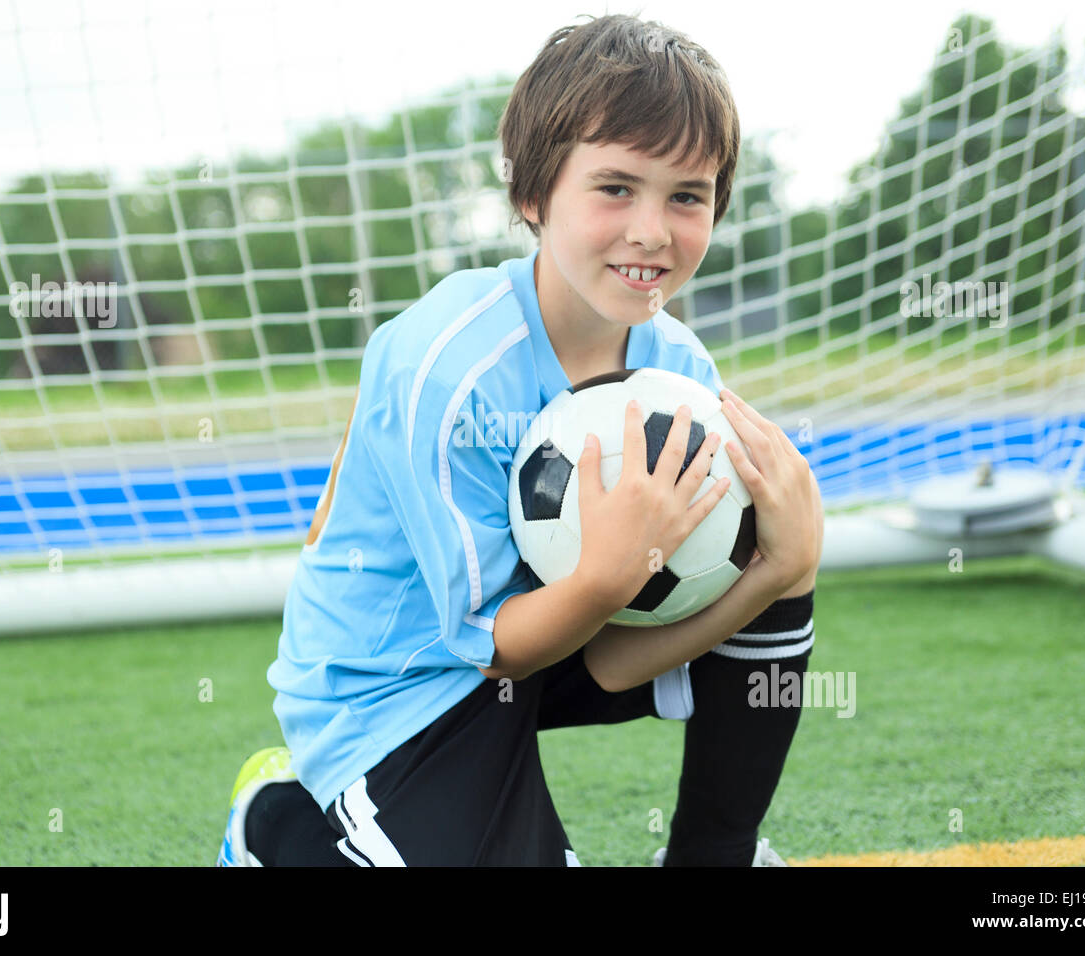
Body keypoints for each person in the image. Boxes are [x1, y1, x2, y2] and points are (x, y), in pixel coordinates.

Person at [217, 12, 823, 867]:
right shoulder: (447, 363)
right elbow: (493, 645)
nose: (652, 229)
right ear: (533, 194)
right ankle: (279, 824)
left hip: (558, 643)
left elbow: (611, 663)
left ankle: (713, 857)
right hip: (403, 689)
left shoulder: (678, 366)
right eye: (616, 187)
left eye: (686, 195)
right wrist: (613, 571)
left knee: (767, 548)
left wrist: (774, 574)